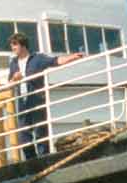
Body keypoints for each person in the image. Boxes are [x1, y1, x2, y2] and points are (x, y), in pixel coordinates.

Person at [6, 32, 85, 160]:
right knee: (24, 135)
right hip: (22, 103)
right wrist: (15, 79)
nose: (13, 48)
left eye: (15, 45)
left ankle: (44, 160)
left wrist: (72, 57)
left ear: (23, 45)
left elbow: (55, 61)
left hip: (37, 100)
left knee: (40, 132)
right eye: (12, 45)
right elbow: (10, 84)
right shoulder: (13, 63)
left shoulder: (37, 59)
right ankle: (31, 162)